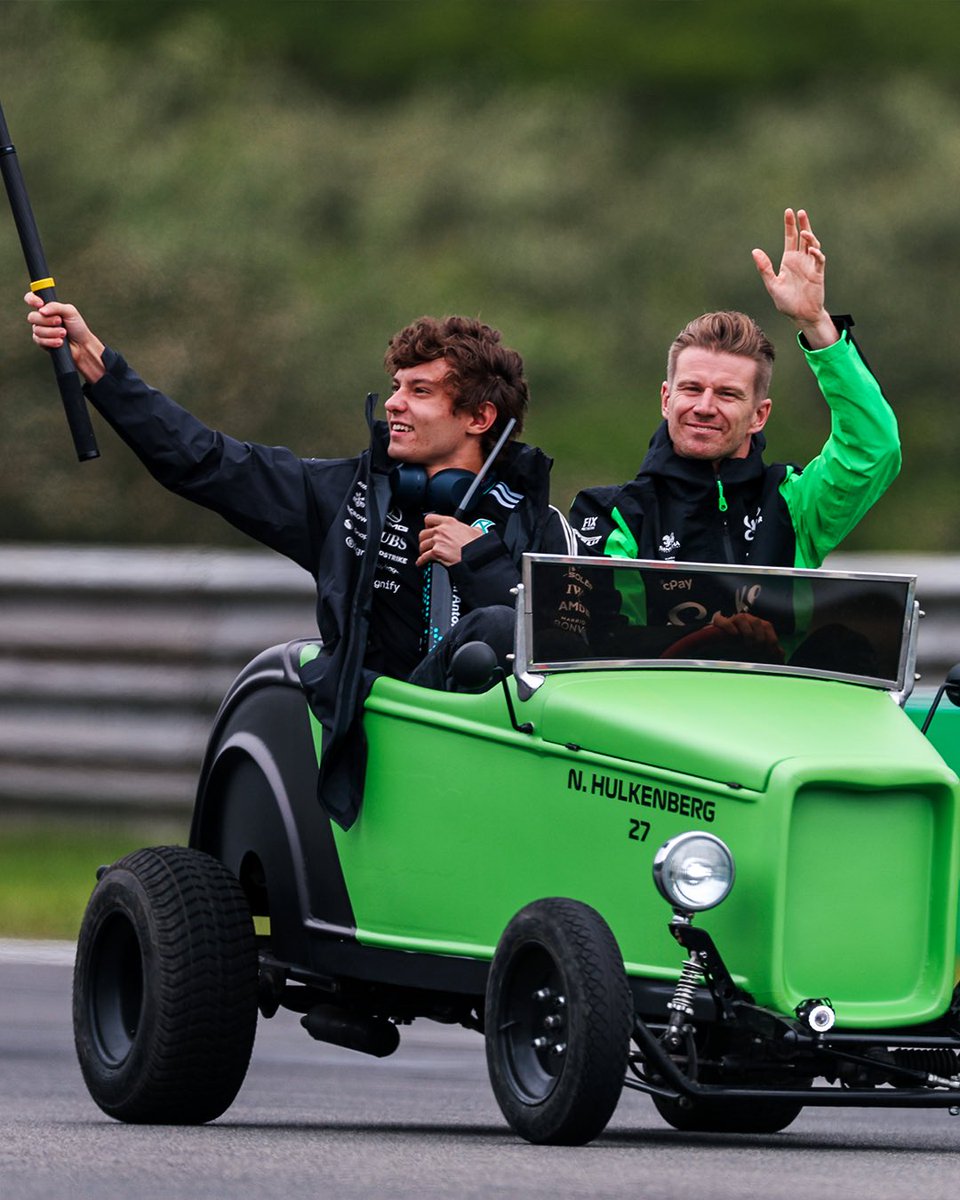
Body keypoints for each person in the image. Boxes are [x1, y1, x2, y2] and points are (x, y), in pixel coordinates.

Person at [25, 298, 574, 826]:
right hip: (386, 742)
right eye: (395, 386)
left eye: (420, 390)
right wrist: (102, 370)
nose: (393, 403)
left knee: (499, 627)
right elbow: (206, 461)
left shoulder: (542, 527)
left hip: (501, 766)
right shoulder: (344, 495)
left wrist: (478, 560)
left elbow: (570, 655)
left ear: (479, 417)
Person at [567, 208, 901, 647]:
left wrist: (815, 324)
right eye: (691, 389)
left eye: (727, 394)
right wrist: (710, 640)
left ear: (759, 415)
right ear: (667, 400)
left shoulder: (794, 503)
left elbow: (873, 450)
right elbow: (600, 642)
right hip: (658, 709)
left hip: (776, 708)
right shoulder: (612, 514)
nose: (704, 407)